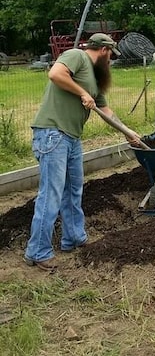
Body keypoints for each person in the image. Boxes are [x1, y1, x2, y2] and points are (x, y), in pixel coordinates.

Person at [24, 33, 141, 272]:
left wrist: (127, 132)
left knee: (73, 191)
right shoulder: (76, 55)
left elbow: (106, 111)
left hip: (72, 138)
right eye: (110, 57)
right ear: (104, 50)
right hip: (53, 133)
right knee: (52, 194)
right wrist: (81, 93)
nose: (110, 63)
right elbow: (55, 74)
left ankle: (74, 238)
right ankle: (37, 251)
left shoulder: (95, 79)